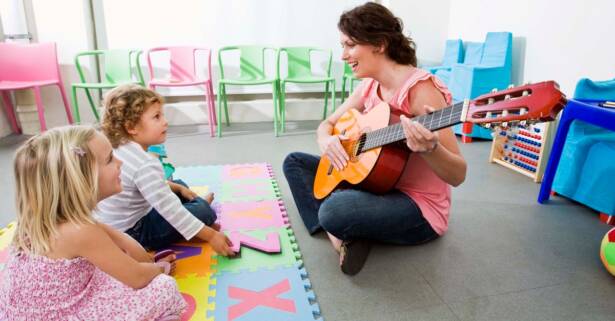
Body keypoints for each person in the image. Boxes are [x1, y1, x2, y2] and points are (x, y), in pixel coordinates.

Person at [283, 2, 467, 275]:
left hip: (417, 207)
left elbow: (458, 174)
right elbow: (328, 123)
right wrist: (326, 140)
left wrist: (430, 149)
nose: (343, 55)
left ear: (379, 44)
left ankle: (343, 229)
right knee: (294, 162)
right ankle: (345, 237)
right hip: (378, 185)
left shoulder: (421, 91)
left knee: (333, 210)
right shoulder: (369, 85)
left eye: (349, 45)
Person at [0, 126, 186, 320]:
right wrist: (158, 269)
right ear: (81, 180)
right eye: (109, 159)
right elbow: (138, 273)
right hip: (59, 315)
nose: (119, 162)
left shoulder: (36, 220)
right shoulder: (81, 231)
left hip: (22, 313)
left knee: (109, 274)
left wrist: (145, 264)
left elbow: (131, 254)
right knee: (164, 287)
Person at [96, 84, 234, 255]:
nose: (165, 121)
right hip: (134, 232)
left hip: (116, 225)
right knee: (204, 212)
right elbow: (171, 211)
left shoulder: (120, 148)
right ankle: (199, 208)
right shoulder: (144, 163)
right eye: (157, 117)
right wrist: (211, 235)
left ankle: (192, 205)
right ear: (132, 127)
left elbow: (145, 185)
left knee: (178, 184)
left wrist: (176, 188)